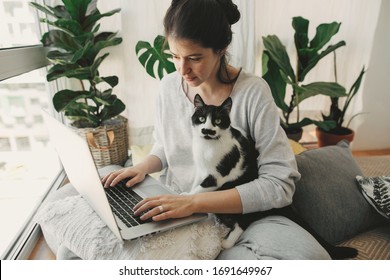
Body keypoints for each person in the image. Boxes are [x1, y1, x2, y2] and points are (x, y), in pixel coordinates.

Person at [103, 0, 331, 260]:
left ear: (221, 49)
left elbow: (278, 184)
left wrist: (193, 203)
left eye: (194, 58)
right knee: (96, 192)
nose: (182, 69)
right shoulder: (169, 87)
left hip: (238, 215)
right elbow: (165, 146)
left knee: (310, 259)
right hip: (176, 208)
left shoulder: (253, 93)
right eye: (175, 56)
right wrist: (141, 168)